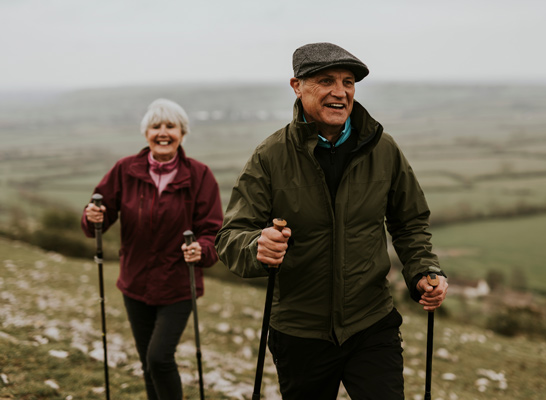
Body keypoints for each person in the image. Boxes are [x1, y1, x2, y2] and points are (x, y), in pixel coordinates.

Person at [215, 42, 449, 399]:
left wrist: (423, 271)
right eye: (326, 81)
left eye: (348, 82)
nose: (340, 92)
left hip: (372, 323)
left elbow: (410, 222)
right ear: (297, 86)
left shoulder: (383, 149)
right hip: (299, 331)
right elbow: (231, 235)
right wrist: (256, 246)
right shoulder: (270, 156)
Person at [81, 98, 223, 400]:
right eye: (155, 126)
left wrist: (202, 250)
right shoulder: (125, 170)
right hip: (135, 284)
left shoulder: (200, 176)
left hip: (178, 285)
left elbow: (212, 231)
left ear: (182, 133)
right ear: (146, 133)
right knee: (148, 363)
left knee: (159, 358)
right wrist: (93, 216)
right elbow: (99, 215)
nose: (163, 132)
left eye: (170, 126)